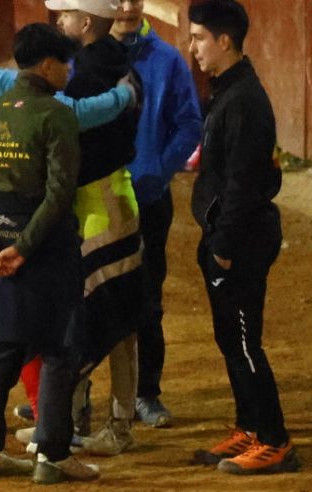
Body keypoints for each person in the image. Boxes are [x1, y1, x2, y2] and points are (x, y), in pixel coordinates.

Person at [0, 0, 131, 461]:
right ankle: (46, 431)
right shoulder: (7, 86)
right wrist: (122, 97)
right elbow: (75, 116)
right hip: (14, 230)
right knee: (38, 326)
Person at [0, 22, 94, 483]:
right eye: (66, 64)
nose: (69, 73)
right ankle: (52, 455)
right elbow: (59, 195)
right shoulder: (55, 116)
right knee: (58, 346)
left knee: (4, 342)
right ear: (49, 65)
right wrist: (25, 247)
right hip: (46, 246)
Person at [186, 0, 296, 474]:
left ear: (223, 41)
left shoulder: (244, 101)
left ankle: (275, 440)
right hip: (226, 236)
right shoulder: (228, 92)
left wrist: (225, 247)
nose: (193, 48)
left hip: (241, 240)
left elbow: (243, 184)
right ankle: (249, 427)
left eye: (198, 38)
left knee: (246, 341)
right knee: (231, 338)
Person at [40, 0, 142, 460]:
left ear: (85, 23)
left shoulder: (88, 73)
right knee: (108, 314)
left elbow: (68, 116)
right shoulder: (111, 63)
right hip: (106, 198)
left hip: (100, 204)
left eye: (63, 15)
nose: (58, 22)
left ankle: (111, 425)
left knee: (111, 317)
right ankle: (77, 418)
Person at [113, 0, 201, 429]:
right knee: (87, 298)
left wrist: (157, 171)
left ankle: (147, 392)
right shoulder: (79, 57)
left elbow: (189, 124)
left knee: (147, 299)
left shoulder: (166, 59)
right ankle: (76, 396)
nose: (128, 6)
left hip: (147, 200)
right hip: (94, 202)